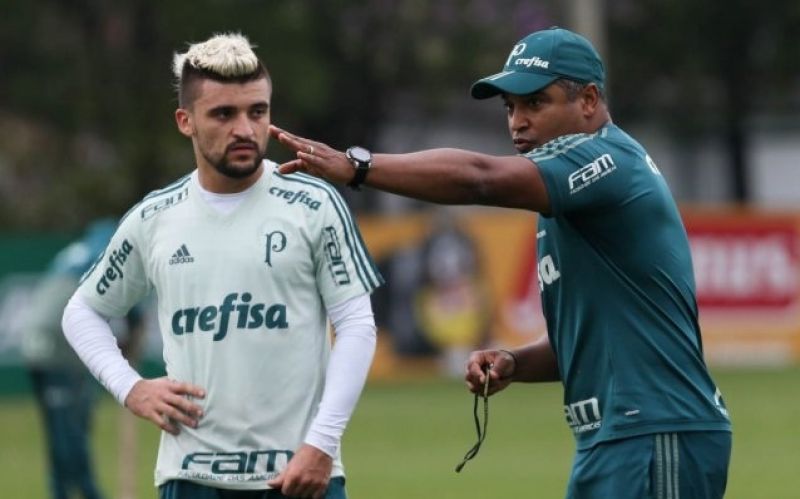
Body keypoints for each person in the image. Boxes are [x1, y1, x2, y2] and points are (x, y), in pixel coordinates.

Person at [270, 26, 731, 499]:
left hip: (657, 431)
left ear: (589, 100)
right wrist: (515, 361)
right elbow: (585, 340)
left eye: (535, 103)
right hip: (617, 438)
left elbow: (480, 178)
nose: (518, 122)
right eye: (510, 107)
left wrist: (358, 166)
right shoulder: (570, 198)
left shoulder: (606, 159)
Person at [62, 33, 383, 499]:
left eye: (258, 111)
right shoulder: (155, 217)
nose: (245, 129)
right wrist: (131, 388)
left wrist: (322, 443)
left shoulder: (315, 205)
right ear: (185, 121)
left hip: (300, 474)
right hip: (191, 479)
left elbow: (356, 324)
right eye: (223, 114)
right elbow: (82, 311)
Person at [22, 218, 141, 499]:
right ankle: (89, 492)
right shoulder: (105, 249)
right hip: (60, 344)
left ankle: (61, 492)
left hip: (35, 342)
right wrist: (134, 325)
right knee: (71, 430)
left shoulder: (72, 252)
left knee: (59, 430)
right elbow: (117, 284)